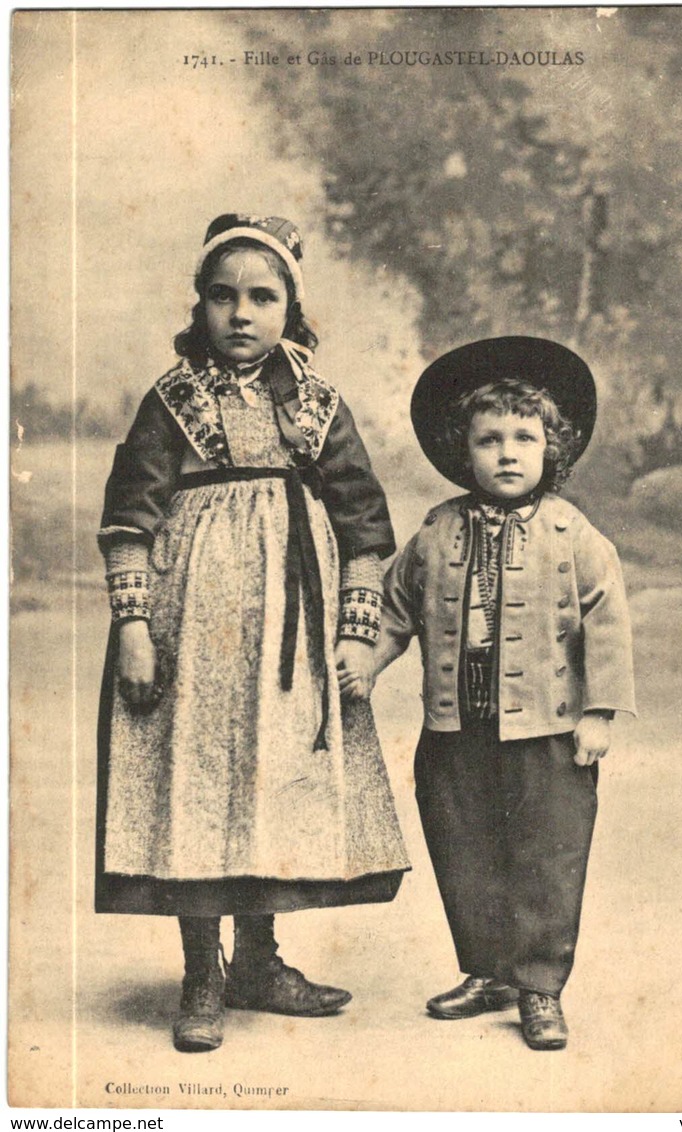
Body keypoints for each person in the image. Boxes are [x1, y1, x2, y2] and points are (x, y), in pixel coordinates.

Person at [96, 213, 409, 1053]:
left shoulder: (318, 401)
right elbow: (129, 517)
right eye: (222, 296)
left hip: (291, 626)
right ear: (198, 306)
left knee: (271, 778)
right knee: (198, 780)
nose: (241, 314)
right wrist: (133, 625)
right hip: (189, 617)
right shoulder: (172, 400)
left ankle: (259, 962)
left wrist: (355, 633)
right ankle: (203, 971)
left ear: (290, 307)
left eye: (262, 297)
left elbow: (363, 525)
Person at [342, 337, 635, 1051]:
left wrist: (598, 712)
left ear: (551, 448)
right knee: (462, 848)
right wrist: (367, 660)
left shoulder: (575, 534)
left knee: (546, 855)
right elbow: (397, 610)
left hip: (548, 733)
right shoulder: (437, 530)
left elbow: (607, 623)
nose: (507, 453)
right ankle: (484, 970)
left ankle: (537, 986)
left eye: (524, 438)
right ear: (461, 451)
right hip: (454, 729)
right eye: (489, 439)